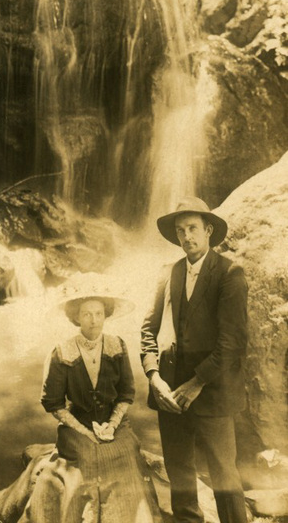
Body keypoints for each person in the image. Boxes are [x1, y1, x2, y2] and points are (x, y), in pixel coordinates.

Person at [141, 196, 248, 523]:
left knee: (224, 475)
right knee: (179, 470)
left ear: (208, 230)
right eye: (180, 230)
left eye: (192, 228)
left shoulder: (230, 273)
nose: (186, 236)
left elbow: (232, 342)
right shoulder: (167, 273)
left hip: (213, 390)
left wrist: (198, 381)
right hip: (170, 389)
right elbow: (148, 329)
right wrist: (153, 375)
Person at [37, 293, 162, 523]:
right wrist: (86, 432)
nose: (93, 320)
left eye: (99, 314)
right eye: (86, 314)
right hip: (77, 425)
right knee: (86, 458)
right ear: (76, 317)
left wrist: (112, 425)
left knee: (126, 456)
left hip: (114, 421)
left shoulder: (118, 346)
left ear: (106, 316)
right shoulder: (61, 351)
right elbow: (53, 403)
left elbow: (126, 393)